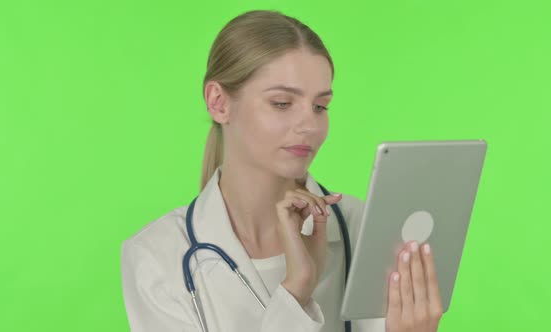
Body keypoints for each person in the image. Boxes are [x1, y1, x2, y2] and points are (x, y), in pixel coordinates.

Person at [121, 9, 443, 332]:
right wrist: (296, 292)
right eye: (282, 103)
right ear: (218, 102)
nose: (309, 125)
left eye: (320, 106)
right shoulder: (157, 257)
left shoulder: (364, 231)